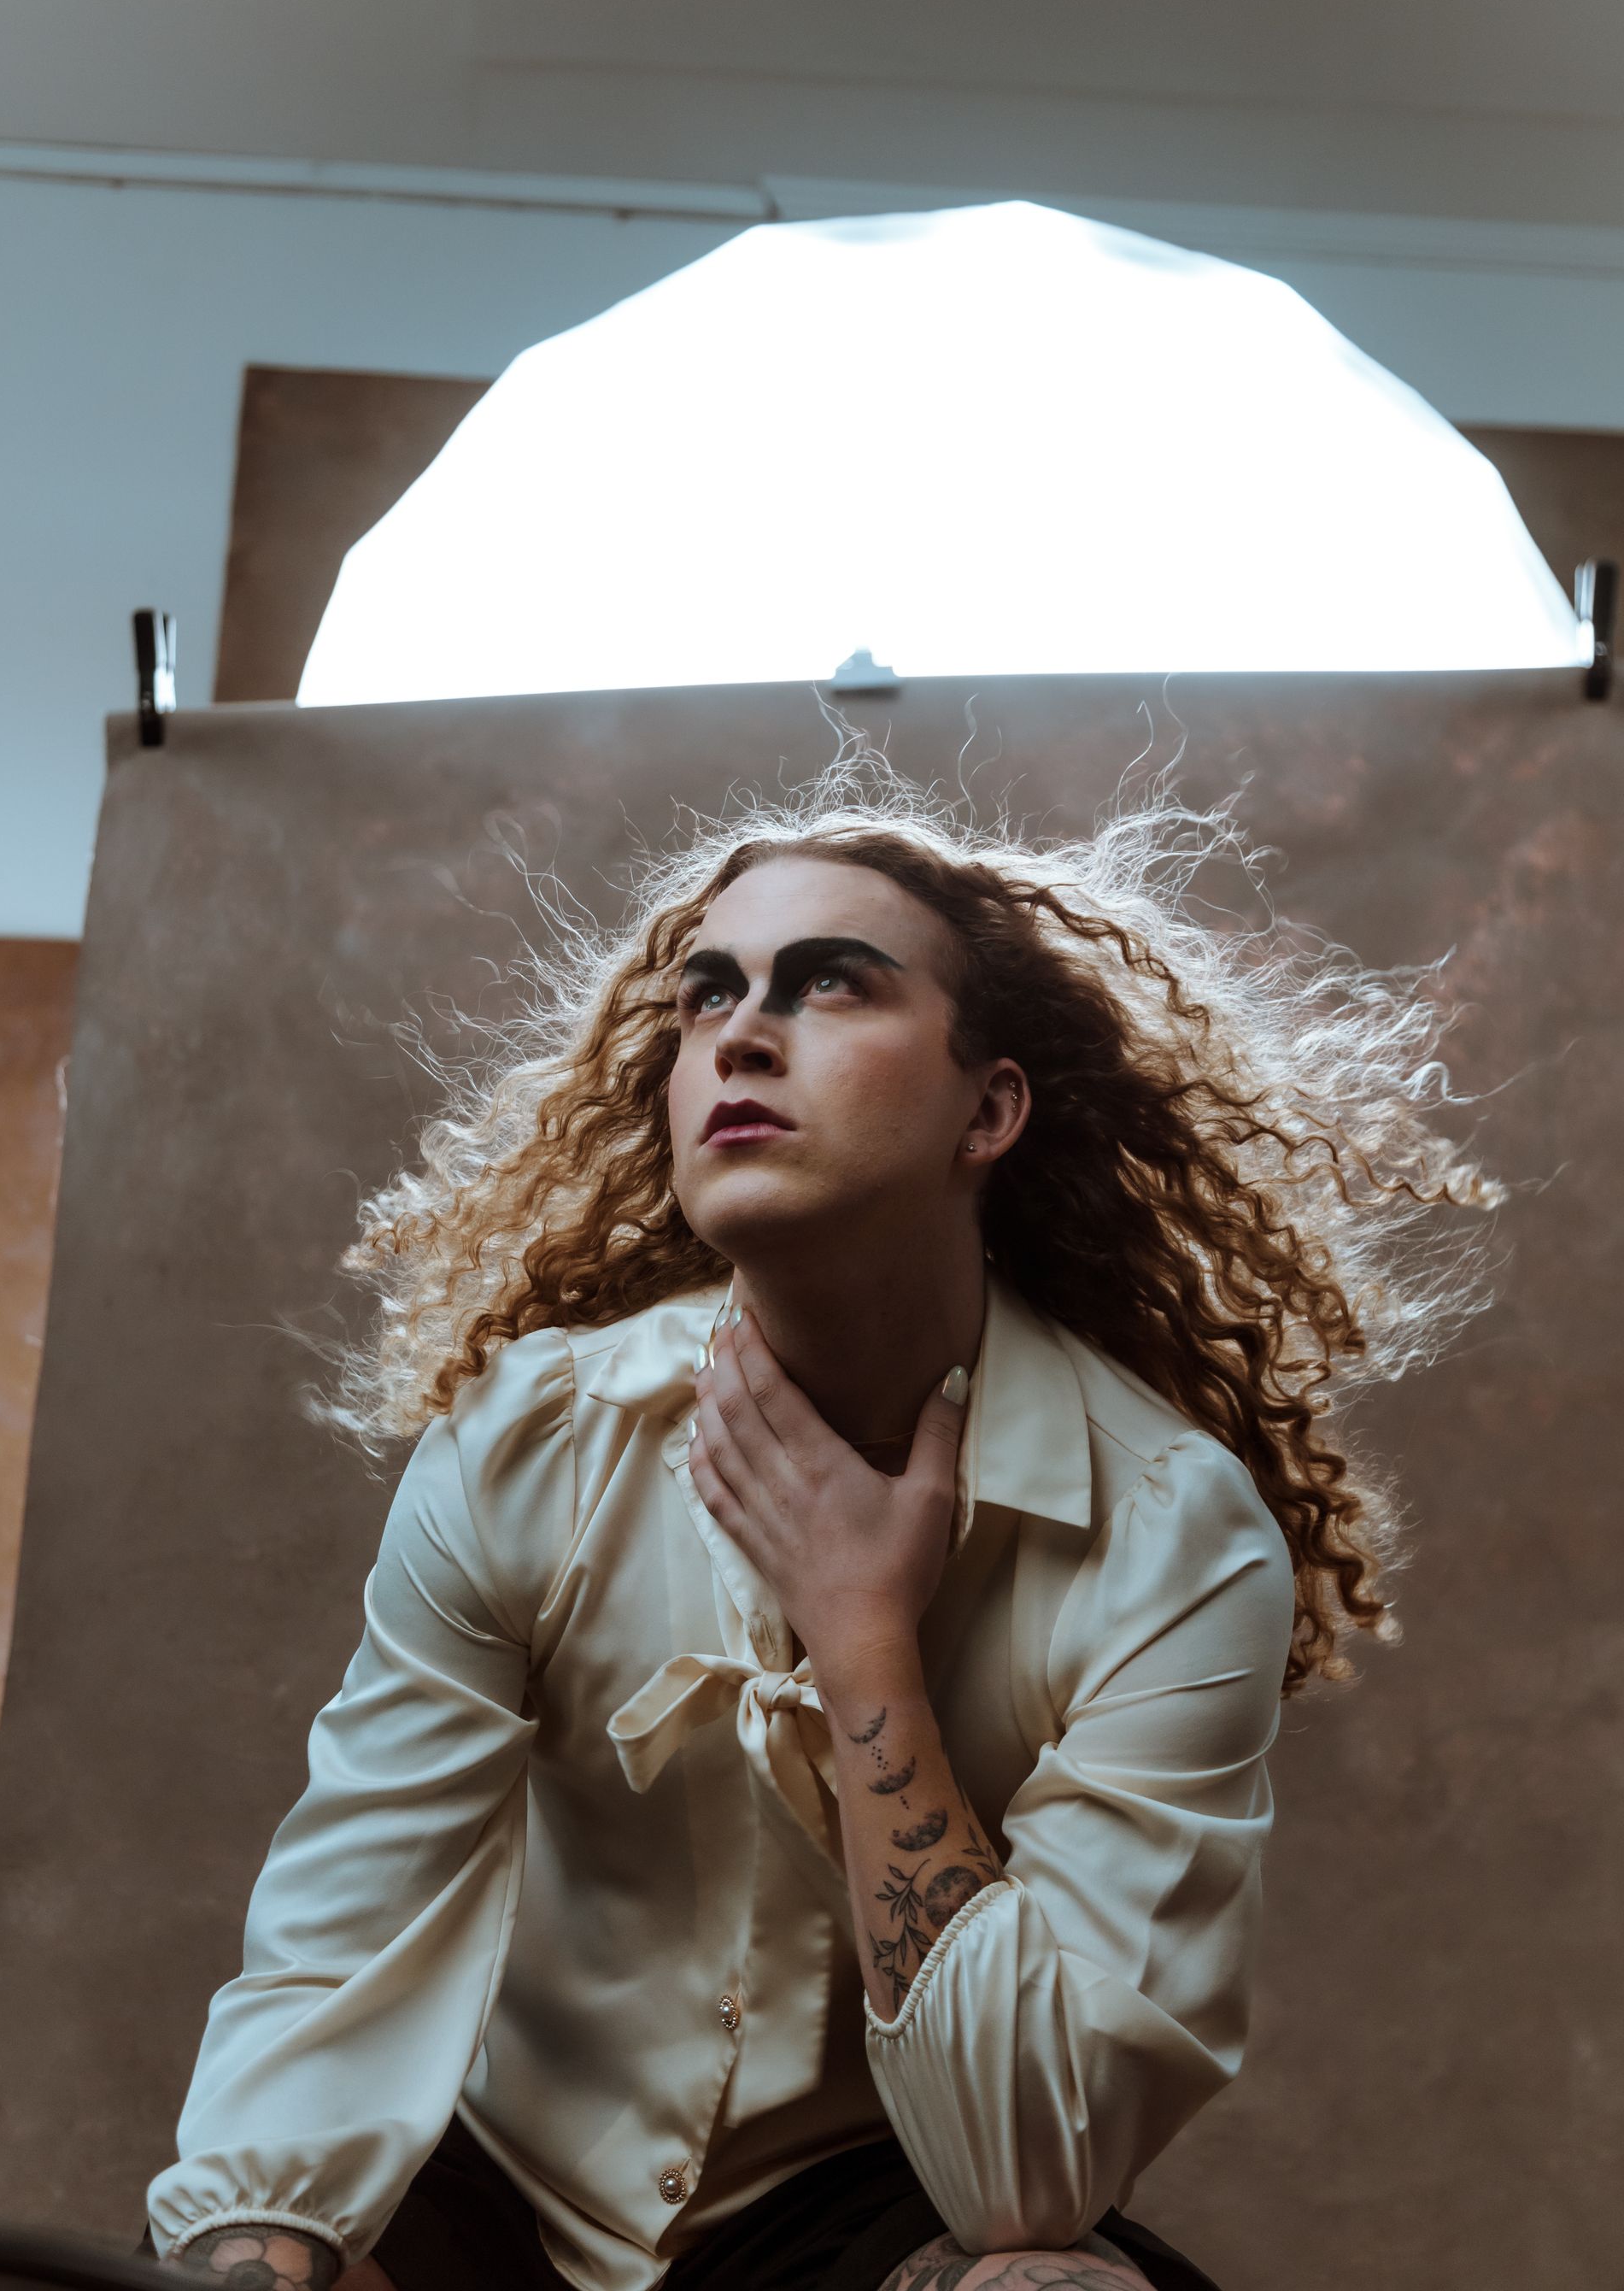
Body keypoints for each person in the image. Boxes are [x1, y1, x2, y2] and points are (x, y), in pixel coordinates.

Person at [145, 761, 1500, 2291]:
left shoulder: (1174, 1538)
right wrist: (266, 2228)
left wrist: (865, 1649)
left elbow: (1024, 2171)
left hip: (851, 2221)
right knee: (250, 2257)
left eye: (831, 986)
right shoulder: (532, 1441)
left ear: (987, 1109)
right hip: (500, 2189)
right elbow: (351, 1922)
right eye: (706, 996)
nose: (742, 1030)